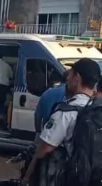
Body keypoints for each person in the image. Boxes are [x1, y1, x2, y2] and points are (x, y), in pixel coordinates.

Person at [21, 58, 100, 186]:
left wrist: (27, 177)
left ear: (77, 78)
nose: (67, 78)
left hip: (72, 177)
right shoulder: (97, 108)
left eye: (70, 73)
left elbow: (45, 148)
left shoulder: (66, 112)